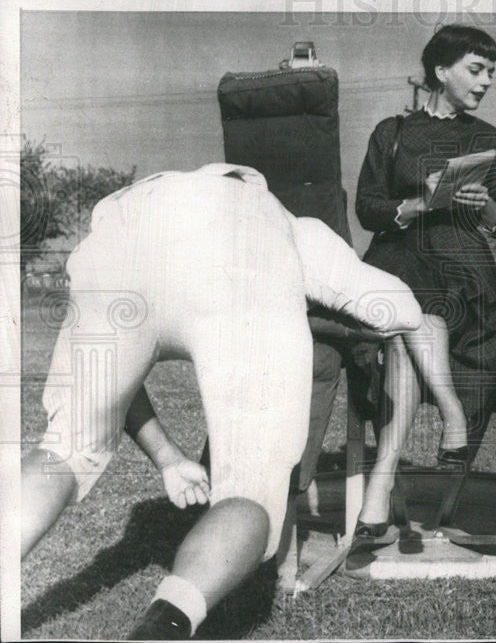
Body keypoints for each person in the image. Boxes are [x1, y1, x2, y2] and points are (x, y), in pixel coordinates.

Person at [20, 163, 422, 640]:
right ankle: (165, 624)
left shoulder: (153, 194)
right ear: (251, 180)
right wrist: (315, 303)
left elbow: (119, 378)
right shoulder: (281, 217)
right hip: (237, 259)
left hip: (116, 241)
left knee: (64, 450)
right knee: (248, 495)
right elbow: (402, 310)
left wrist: (169, 458)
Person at [353, 24, 496, 535]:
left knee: (413, 327)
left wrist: (489, 206)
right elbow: (367, 207)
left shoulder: (489, 140)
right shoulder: (392, 133)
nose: (486, 82)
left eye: (491, 72)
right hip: (398, 253)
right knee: (412, 301)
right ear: (440, 70)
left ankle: (381, 478)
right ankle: (451, 412)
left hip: (459, 264)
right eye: (476, 69)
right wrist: (413, 204)